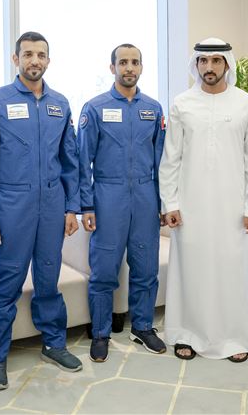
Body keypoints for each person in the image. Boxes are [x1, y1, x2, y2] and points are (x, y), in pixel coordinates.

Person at [0, 31, 82, 391]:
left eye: (41, 55)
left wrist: (70, 209)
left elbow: (70, 161)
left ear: (49, 61)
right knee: (6, 284)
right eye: (28, 54)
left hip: (51, 206)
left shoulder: (60, 104)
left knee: (49, 279)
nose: (35, 60)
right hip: (11, 207)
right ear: (15, 59)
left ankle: (54, 343)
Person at [159, 37, 248, 362]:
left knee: (230, 270)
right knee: (191, 270)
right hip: (190, 206)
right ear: (196, 65)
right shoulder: (182, 103)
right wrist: (171, 203)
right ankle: (187, 335)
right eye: (203, 61)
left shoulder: (246, 103)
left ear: (227, 64)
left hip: (231, 207)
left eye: (216, 61)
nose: (209, 67)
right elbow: (171, 159)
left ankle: (235, 338)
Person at [78, 44, 166, 362]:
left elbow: (162, 161)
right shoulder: (94, 108)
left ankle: (142, 327)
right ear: (112, 66)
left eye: (135, 62)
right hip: (107, 197)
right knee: (104, 270)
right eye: (123, 62)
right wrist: (86, 206)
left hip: (145, 197)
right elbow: (81, 162)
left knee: (146, 268)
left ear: (142, 67)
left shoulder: (153, 110)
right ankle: (100, 332)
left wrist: (163, 202)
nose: (129, 68)